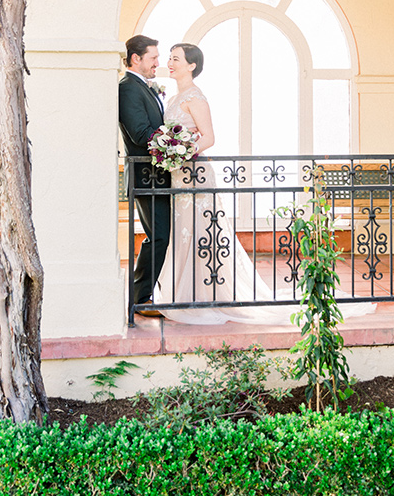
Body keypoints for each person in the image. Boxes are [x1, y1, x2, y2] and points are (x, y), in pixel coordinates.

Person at [153, 43, 375, 325]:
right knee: (184, 232)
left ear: (192, 65)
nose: (170, 63)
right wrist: (169, 154)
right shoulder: (174, 98)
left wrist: (179, 153)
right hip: (179, 175)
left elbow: (208, 138)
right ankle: (185, 292)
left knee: (200, 232)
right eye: (169, 58)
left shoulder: (196, 97)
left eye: (175, 59)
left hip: (195, 172)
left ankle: (208, 292)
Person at [118, 35, 171, 315]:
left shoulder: (145, 88)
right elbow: (140, 133)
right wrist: (176, 144)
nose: (158, 63)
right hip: (145, 176)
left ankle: (148, 293)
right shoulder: (128, 88)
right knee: (158, 236)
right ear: (135, 59)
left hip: (158, 176)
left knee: (161, 235)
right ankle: (140, 298)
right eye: (153, 58)